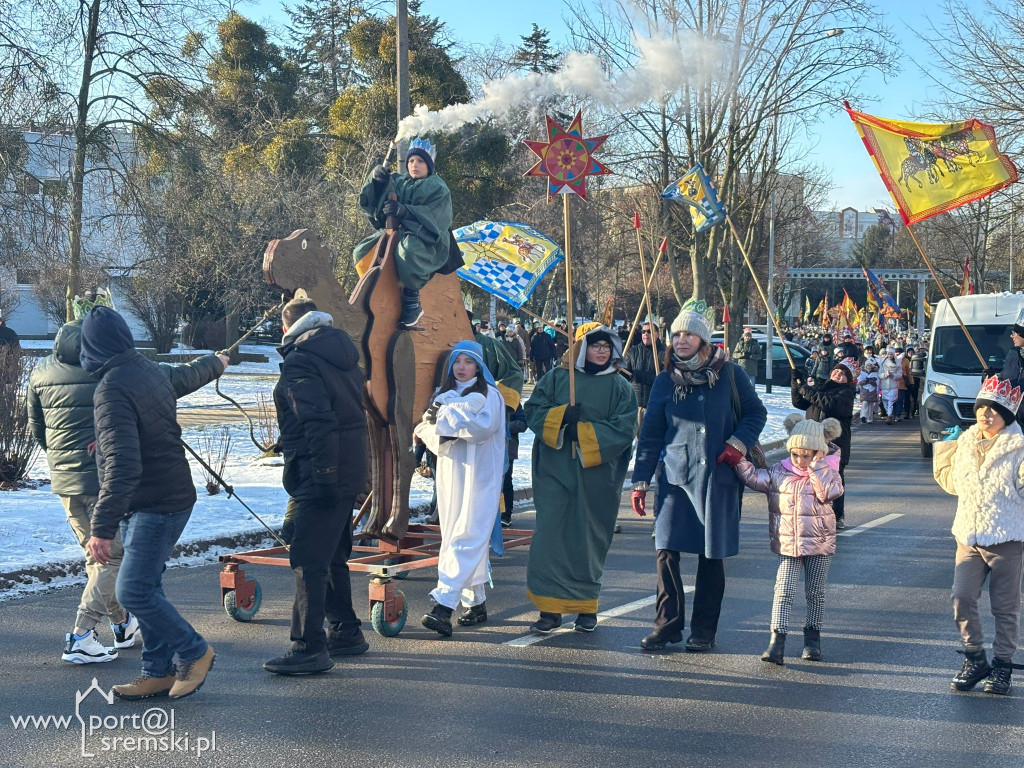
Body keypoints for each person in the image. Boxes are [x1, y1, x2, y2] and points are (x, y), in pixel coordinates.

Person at [81, 307, 226, 700]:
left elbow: (125, 466)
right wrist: (104, 444)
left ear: (90, 348)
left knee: (133, 592)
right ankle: (157, 672)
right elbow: (143, 433)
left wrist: (101, 526)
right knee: (148, 586)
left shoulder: (111, 387)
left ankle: (196, 652)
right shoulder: (147, 369)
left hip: (155, 503)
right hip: (165, 495)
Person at [631, 299, 767, 652]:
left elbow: (756, 413)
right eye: (676, 335)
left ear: (704, 340)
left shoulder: (730, 375)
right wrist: (641, 479)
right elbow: (651, 434)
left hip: (717, 478)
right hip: (675, 477)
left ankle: (703, 631)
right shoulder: (665, 381)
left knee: (711, 555)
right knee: (666, 550)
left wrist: (737, 445)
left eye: (688, 334)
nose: (680, 341)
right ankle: (667, 625)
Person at [263, 298, 369, 674]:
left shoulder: (301, 360)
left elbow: (319, 421)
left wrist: (323, 474)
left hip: (322, 471)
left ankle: (309, 646)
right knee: (333, 555)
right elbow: (341, 413)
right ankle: (346, 631)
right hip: (346, 465)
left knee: (308, 559)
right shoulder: (339, 352)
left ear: (286, 327)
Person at [27, 322, 139, 664]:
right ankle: (82, 634)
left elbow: (37, 431)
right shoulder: (102, 374)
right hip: (100, 479)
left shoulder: (39, 372)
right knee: (111, 556)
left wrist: (62, 460)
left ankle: (122, 625)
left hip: (64, 482)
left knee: (97, 557)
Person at [525, 323, 638, 633]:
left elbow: (626, 429)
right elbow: (534, 410)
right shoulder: (558, 378)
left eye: (605, 346)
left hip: (597, 476)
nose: (601, 351)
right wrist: (560, 418)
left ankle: (586, 606)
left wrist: (583, 433)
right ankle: (549, 609)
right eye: (594, 345)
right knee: (551, 537)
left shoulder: (620, 387)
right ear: (581, 348)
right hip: (555, 470)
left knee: (587, 539)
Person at [934, 375, 1024, 695]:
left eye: (993, 410)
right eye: (981, 407)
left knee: (1005, 606)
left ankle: (1002, 666)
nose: (985, 414)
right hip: (969, 537)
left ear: (1007, 416)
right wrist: (946, 447)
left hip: (1006, 539)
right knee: (962, 597)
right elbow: (951, 484)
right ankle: (975, 658)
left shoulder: (1018, 447)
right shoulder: (966, 441)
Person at [735, 414, 843, 664]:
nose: (801, 460)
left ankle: (812, 640)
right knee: (783, 591)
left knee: (815, 592)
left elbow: (829, 493)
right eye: (796, 455)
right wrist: (739, 460)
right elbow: (754, 478)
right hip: (789, 545)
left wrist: (818, 466)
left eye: (808, 455)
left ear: (819, 452)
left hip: (819, 544)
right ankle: (777, 642)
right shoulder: (778, 471)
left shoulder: (828, 472)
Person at [415, 341, 506, 636]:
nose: (462, 367)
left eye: (468, 362)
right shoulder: (442, 395)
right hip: (451, 474)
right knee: (456, 534)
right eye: (457, 361)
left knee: (468, 535)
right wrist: (434, 426)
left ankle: (444, 604)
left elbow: (481, 429)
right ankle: (475, 602)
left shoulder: (489, 395)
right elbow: (426, 431)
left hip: (480, 476)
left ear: (479, 366)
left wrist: (444, 420)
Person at [352, 138, 453, 328]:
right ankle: (374, 290)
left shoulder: (438, 187)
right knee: (362, 252)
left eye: (421, 161)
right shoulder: (400, 181)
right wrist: (375, 180)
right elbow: (375, 204)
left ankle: (412, 302)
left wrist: (405, 211)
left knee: (408, 251)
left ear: (429, 165)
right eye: (412, 160)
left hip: (427, 239)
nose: (415, 164)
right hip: (396, 232)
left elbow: (438, 218)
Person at [791, 358, 856, 530]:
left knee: (832, 480)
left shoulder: (846, 393)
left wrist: (806, 389)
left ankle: (837, 515)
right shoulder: (820, 388)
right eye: (837, 371)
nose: (838, 375)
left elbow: (828, 404)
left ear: (848, 380)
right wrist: (796, 382)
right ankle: (813, 513)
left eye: (843, 374)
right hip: (812, 442)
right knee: (811, 478)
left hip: (834, 445)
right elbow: (800, 402)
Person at [620, 322, 666, 423]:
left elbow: (665, 379)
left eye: (649, 331)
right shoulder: (633, 351)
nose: (646, 334)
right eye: (643, 331)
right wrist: (619, 370)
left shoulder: (664, 353)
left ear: (657, 334)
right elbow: (625, 375)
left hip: (655, 404)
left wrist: (640, 376)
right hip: (635, 404)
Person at [501, 404, 527, 527]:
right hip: (488, 449)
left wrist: (504, 428)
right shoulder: (486, 395)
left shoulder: (512, 399)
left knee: (505, 482)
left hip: (508, 448)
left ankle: (505, 514)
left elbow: (522, 423)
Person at [879, 347, 901, 424]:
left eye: (891, 354)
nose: (890, 355)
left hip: (893, 385)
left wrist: (892, 375)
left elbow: (899, 375)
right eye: (889, 354)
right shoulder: (883, 363)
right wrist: (885, 374)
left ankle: (889, 415)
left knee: (891, 401)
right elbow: (880, 374)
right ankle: (889, 412)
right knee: (885, 401)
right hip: (885, 385)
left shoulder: (898, 363)